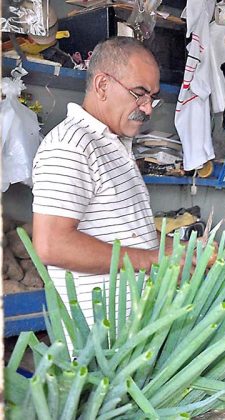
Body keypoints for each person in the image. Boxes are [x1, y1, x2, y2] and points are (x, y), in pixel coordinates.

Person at [32, 37, 164, 324]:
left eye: (152, 97)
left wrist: (171, 249)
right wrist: (154, 261)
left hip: (133, 335)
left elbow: (122, 230)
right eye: (139, 93)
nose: (148, 108)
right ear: (103, 85)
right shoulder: (71, 145)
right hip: (102, 345)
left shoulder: (112, 143)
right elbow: (52, 244)